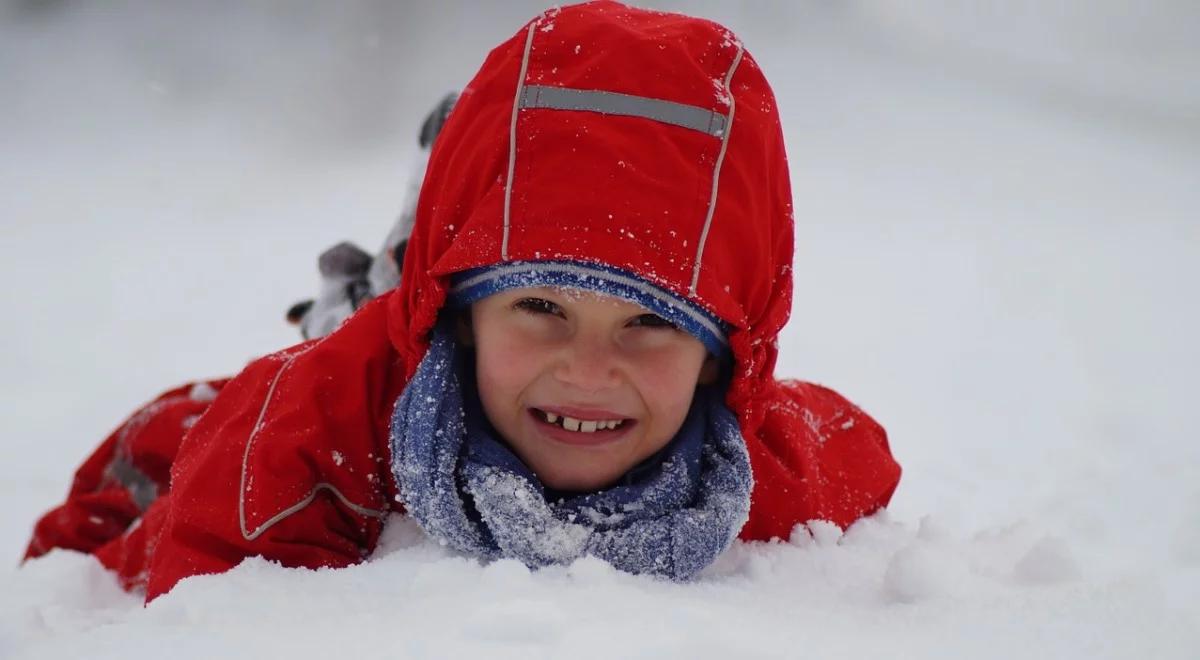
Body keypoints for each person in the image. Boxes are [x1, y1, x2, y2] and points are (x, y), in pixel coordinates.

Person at [24, 1, 901, 602]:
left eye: (651, 323)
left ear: (722, 359)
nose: (590, 368)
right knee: (173, 451)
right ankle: (406, 275)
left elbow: (858, 454)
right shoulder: (294, 440)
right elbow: (198, 615)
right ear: (461, 319)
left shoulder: (757, 472)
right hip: (351, 389)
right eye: (541, 309)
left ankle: (456, 248)